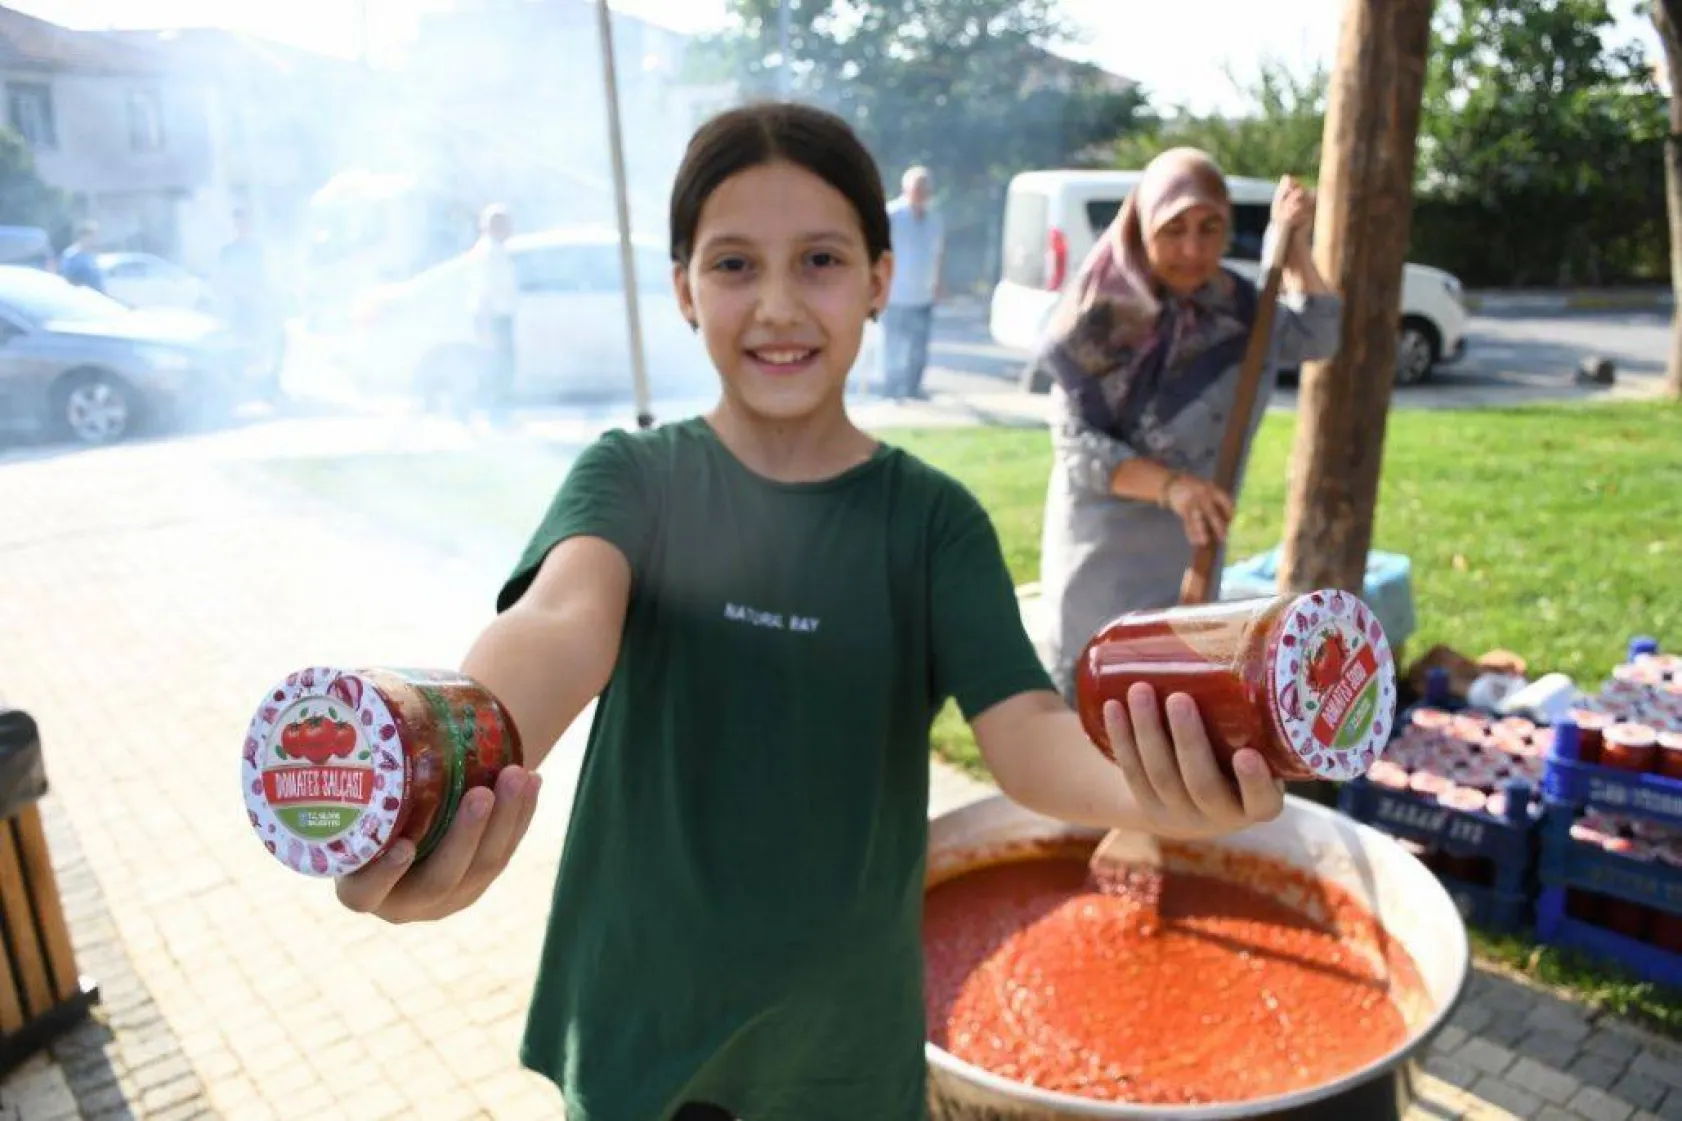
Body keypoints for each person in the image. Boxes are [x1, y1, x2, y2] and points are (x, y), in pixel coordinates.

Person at [334, 105, 1286, 1121]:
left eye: (820, 259)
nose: (778, 304)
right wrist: (452, 759)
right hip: (641, 1028)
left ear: (880, 278)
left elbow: (1026, 733)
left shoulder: (930, 523)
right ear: (682, 291)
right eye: (734, 263)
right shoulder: (633, 479)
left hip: (841, 1047)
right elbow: (560, 623)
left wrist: (1155, 789)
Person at [1031, 148, 1342, 701]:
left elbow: (1320, 333)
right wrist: (1174, 488)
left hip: (1189, 555)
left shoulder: (1242, 309)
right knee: (1093, 708)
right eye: (1173, 229)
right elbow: (1076, 446)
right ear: (1140, 224)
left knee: (1167, 713)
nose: (1193, 250)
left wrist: (1292, 249)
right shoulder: (1096, 316)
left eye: (1210, 227)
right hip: (1102, 556)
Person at [880, 165, 944, 400]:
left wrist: (938, 281)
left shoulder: (934, 219)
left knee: (919, 347)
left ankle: (913, 388)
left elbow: (938, 252)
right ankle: (891, 388)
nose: (921, 193)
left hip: (922, 293)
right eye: (917, 189)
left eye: (925, 189)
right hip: (896, 294)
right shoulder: (892, 216)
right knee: (893, 345)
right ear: (906, 189)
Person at [466, 203, 518, 421]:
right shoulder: (488, 252)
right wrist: (486, 325)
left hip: (498, 316)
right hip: (492, 317)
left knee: (499, 365)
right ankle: (491, 410)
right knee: (495, 366)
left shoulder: (496, 249)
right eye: (505, 224)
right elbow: (484, 290)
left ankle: (494, 409)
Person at [59, 221, 105, 293]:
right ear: (83, 236)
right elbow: (69, 279)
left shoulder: (91, 254)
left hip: (97, 296)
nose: (95, 239)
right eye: (93, 236)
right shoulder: (72, 255)